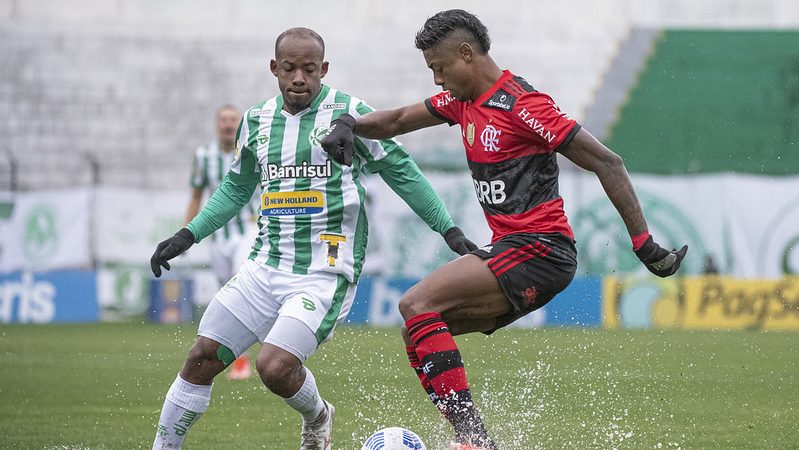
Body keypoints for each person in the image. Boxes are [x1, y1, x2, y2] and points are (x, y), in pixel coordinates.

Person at [322, 9, 688, 450]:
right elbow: (398, 120)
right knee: (415, 330)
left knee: (416, 302)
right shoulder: (462, 103)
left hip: (541, 250)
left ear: (466, 53)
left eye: (439, 68)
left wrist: (643, 243)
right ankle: (473, 439)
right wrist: (348, 123)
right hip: (514, 250)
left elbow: (608, 162)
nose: (437, 80)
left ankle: (473, 439)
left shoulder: (522, 105)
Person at [149, 27, 476, 450]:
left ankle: (317, 415)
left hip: (324, 272)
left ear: (323, 69)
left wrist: (447, 228)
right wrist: (186, 235)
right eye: (289, 69)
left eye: (308, 69)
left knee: (275, 366)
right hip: (263, 266)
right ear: (275, 70)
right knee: (200, 359)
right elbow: (236, 188)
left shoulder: (351, 114)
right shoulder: (256, 120)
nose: (299, 78)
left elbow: (402, 171)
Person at [185, 104, 257, 380]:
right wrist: (187, 233)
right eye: (224, 120)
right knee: (227, 290)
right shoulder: (204, 156)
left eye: (233, 120)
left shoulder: (251, 149)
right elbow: (196, 194)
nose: (228, 125)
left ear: (239, 125)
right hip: (218, 236)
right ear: (217, 124)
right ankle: (239, 354)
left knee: (242, 281)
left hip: (248, 230)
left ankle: (246, 360)